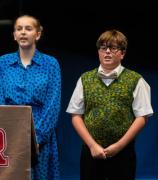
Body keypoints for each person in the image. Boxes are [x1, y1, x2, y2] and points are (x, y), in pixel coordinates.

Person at [66, 29, 153, 180]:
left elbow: (142, 117)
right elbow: (76, 114)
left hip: (123, 152)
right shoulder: (85, 79)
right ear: (98, 51)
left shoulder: (136, 80)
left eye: (113, 48)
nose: (107, 52)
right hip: (91, 150)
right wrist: (92, 145)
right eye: (103, 47)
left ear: (122, 53)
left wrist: (119, 146)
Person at [0, 15, 61, 180]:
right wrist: (9, 135)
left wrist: (36, 138)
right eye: (19, 29)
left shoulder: (50, 64)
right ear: (14, 35)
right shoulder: (3, 62)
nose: (23, 32)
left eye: (28, 29)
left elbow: (53, 104)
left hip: (40, 135)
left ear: (37, 34)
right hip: (9, 134)